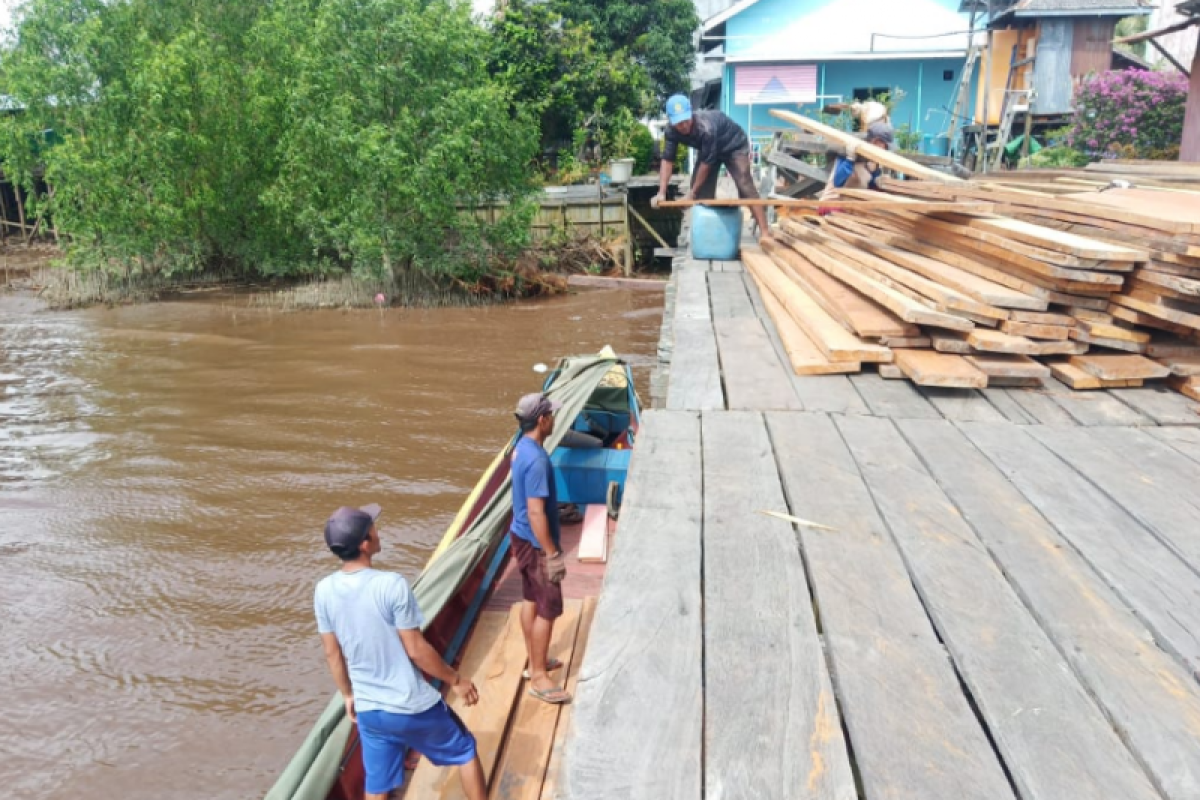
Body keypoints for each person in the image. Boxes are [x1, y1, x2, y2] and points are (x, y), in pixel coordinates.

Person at [314, 503, 486, 800]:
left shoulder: (324, 590)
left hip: (370, 711)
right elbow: (416, 649)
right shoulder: (391, 585)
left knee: (377, 786)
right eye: (373, 528)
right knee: (465, 751)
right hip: (410, 705)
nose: (378, 531)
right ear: (365, 543)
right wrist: (456, 680)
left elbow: (332, 653)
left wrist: (348, 695)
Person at [510, 392, 571, 704]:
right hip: (535, 544)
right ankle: (538, 675)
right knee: (548, 608)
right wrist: (552, 553)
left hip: (519, 537)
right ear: (543, 420)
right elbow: (536, 512)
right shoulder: (536, 460)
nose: (554, 419)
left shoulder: (519, 448)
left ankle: (536, 659)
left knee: (530, 599)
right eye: (552, 415)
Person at [651, 94, 773, 241]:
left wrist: (692, 193)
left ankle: (765, 233)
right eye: (678, 123)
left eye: (686, 120)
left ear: (691, 113)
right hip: (709, 150)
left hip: (734, 146)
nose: (683, 126)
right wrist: (661, 192)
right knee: (702, 195)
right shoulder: (671, 131)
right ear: (671, 121)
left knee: (745, 185)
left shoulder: (706, 128)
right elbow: (667, 160)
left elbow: (706, 164)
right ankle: (707, 235)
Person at [821, 121, 894, 200]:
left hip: (853, 206)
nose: (885, 149)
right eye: (885, 145)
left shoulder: (871, 159)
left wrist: (878, 181)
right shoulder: (848, 153)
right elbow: (837, 182)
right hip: (834, 203)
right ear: (876, 141)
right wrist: (850, 159)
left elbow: (869, 185)